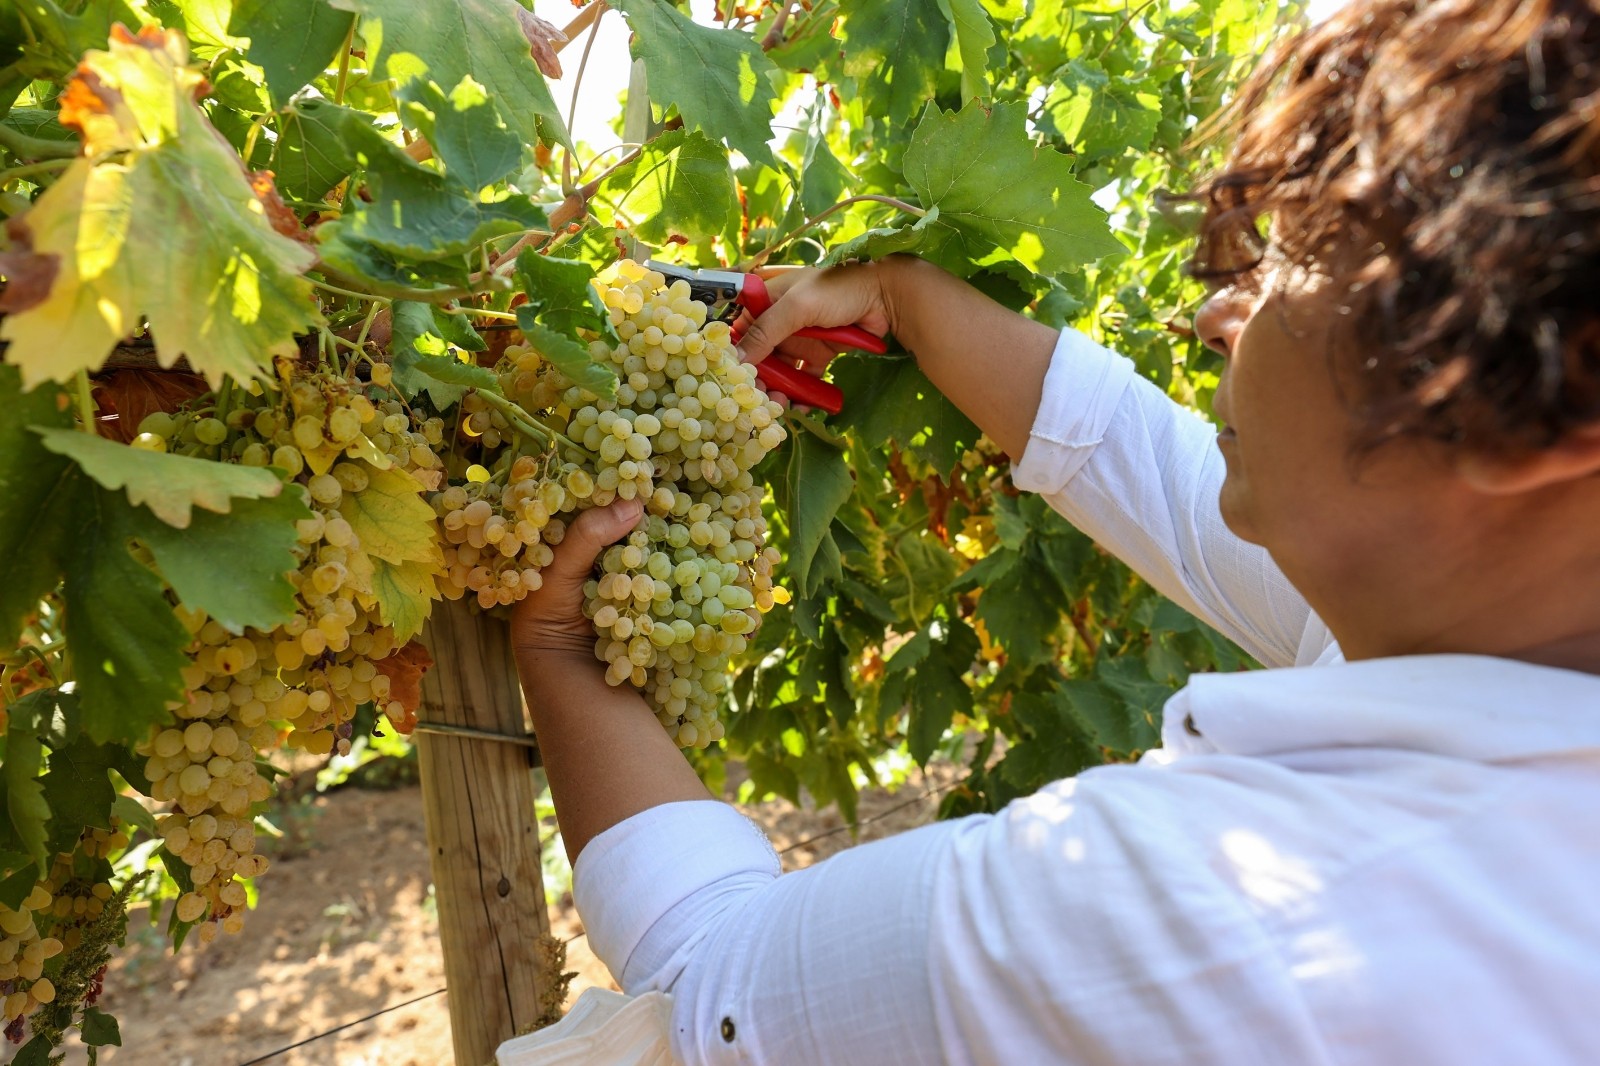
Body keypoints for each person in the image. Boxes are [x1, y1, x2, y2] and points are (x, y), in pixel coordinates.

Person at [511, 0, 1600, 1061]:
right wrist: (905, 294)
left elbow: (712, 988)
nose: (1222, 312)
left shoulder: (1202, 909)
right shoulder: (1494, 644)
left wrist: (561, 653)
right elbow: (1142, 463)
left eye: (1306, 259)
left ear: (1545, 417)